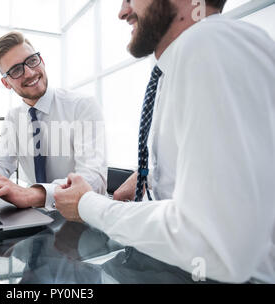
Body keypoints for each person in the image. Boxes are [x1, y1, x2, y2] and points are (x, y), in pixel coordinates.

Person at [54, 0, 275, 283]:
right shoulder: (191, 58)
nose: (122, 12)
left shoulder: (206, 43)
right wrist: (153, 174)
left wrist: (87, 204)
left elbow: (211, 245)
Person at [0, 31, 107, 213]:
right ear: (6, 83)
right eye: (15, 70)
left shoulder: (82, 106)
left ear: (41, 61)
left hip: (83, 218)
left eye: (31, 61)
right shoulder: (15, 118)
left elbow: (94, 179)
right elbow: (0, 163)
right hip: (37, 217)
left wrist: (30, 195)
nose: (29, 73)